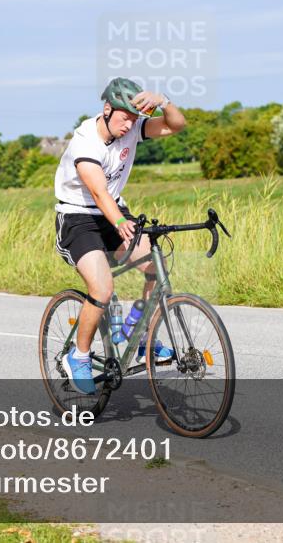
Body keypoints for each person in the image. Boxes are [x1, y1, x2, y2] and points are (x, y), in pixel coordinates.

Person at [53, 77, 187, 394]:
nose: (130, 124)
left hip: (114, 212)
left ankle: (138, 337)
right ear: (107, 108)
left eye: (135, 117)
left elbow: (176, 126)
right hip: (79, 218)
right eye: (125, 116)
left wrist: (164, 102)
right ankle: (80, 356)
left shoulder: (131, 129)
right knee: (101, 288)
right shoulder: (85, 141)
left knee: (155, 269)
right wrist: (119, 222)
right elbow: (99, 193)